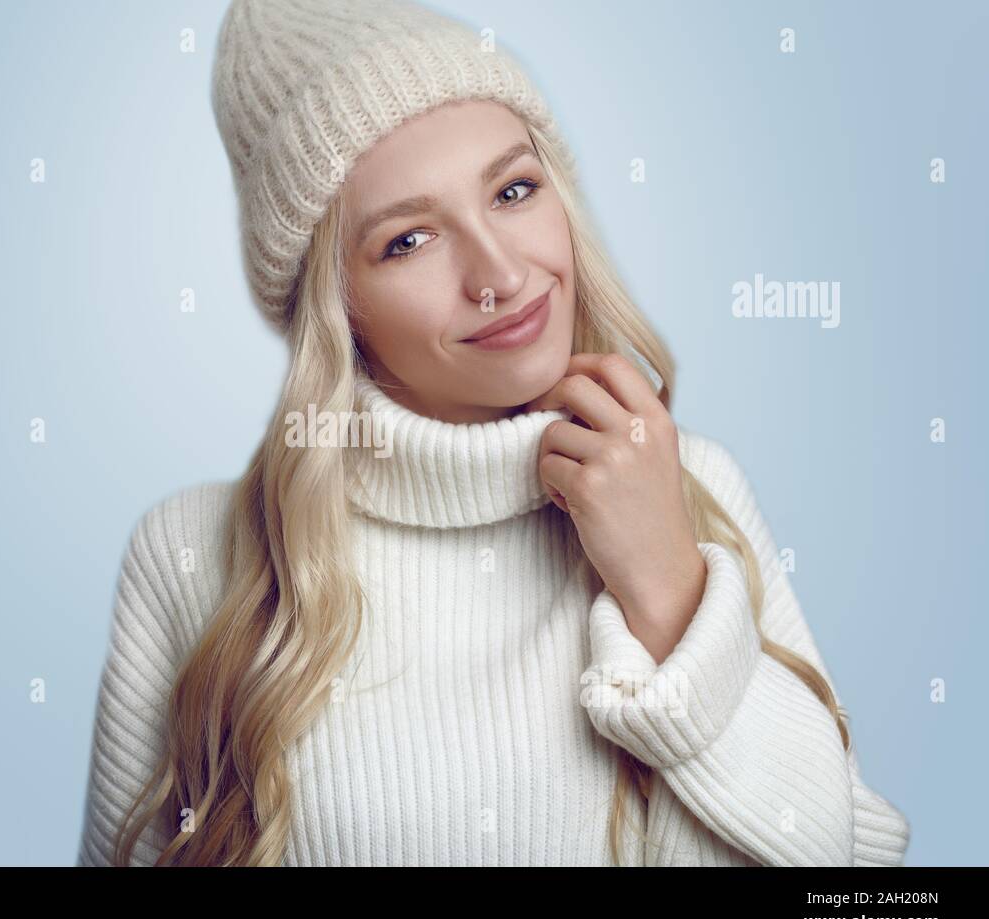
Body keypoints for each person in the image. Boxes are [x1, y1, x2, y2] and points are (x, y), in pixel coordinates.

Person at [76, 0, 911, 866]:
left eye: (514, 191)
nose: (502, 275)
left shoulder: (689, 485)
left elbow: (856, 878)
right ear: (336, 306)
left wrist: (668, 590)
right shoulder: (195, 554)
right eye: (409, 241)